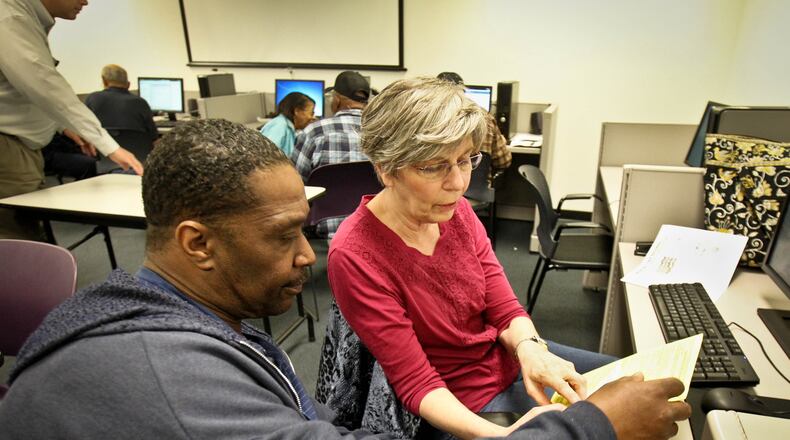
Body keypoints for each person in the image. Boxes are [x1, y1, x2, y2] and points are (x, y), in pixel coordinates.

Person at [0, 118, 689, 440]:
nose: (309, 256)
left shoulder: (157, 313)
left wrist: (528, 344)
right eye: (284, 236)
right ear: (196, 244)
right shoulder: (168, 378)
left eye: (306, 228)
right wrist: (588, 429)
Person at [327, 77, 690, 439]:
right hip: (461, 401)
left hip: (504, 359)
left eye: (466, 160)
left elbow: (502, 306)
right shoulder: (356, 253)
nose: (458, 183)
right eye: (434, 167)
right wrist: (501, 437)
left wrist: (531, 350)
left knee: (634, 380)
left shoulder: (456, 212)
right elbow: (416, 382)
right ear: (386, 168)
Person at [0, 0, 144, 240]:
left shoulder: (23, 17)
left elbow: (19, 89)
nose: (86, 1)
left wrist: (62, 125)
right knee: (18, 237)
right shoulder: (10, 18)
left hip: (21, 144)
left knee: (28, 230)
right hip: (9, 147)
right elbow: (45, 84)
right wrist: (109, 145)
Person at [290, 70, 370, 237]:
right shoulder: (385, 132)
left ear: (337, 99)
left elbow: (294, 185)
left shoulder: (314, 131)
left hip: (325, 232)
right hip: (375, 229)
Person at [437, 71, 511, 184]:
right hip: (481, 191)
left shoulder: (430, 120)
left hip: (441, 187)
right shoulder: (485, 117)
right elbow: (503, 161)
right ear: (463, 91)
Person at [85, 64, 158, 143]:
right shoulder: (140, 102)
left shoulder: (92, 99)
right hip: (139, 153)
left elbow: (85, 130)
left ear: (104, 81)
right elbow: (153, 136)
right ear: (128, 84)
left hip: (102, 153)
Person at [260, 91, 315, 156]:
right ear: (296, 111)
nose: (313, 117)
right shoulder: (279, 127)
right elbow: (266, 157)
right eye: (311, 113)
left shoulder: (288, 127)